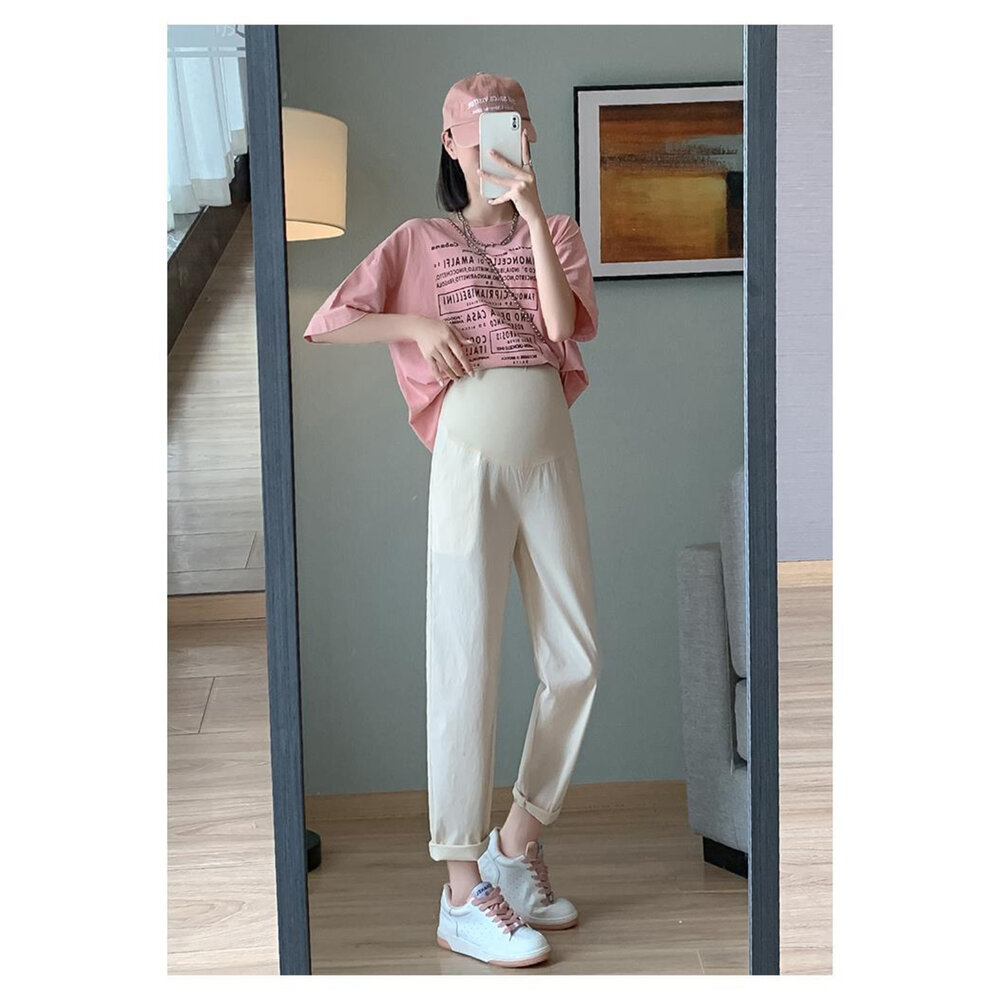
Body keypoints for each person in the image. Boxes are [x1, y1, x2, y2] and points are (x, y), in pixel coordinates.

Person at [303, 72, 602, 968]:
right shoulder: (421, 240)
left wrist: (533, 211)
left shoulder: (558, 232)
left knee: (578, 661)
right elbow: (328, 322)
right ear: (451, 144)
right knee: (464, 660)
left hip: (547, 454)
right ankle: (462, 893)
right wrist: (415, 326)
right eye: (480, 137)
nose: (498, 149)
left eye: (513, 131)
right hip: (469, 457)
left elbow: (559, 326)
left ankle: (513, 846)